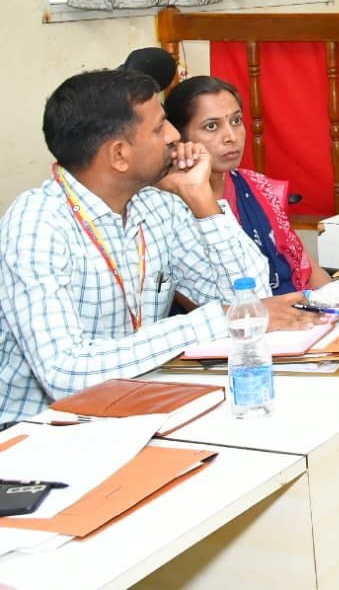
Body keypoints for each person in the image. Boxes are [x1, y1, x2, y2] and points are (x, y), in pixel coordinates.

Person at [0, 69, 311, 426]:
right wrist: (217, 320)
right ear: (119, 155)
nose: (175, 136)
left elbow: (251, 301)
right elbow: (66, 373)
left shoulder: (156, 202)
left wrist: (201, 198)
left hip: (136, 410)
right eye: (160, 128)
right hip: (39, 431)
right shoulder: (38, 223)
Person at [164, 76, 333, 296]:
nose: (231, 137)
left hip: (300, 306)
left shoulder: (256, 186)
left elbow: (308, 269)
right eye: (211, 126)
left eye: (236, 121)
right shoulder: (168, 207)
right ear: (179, 138)